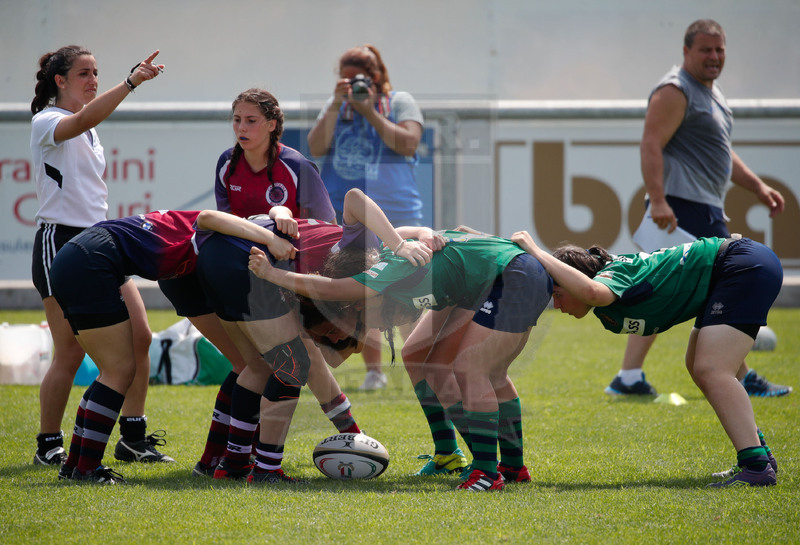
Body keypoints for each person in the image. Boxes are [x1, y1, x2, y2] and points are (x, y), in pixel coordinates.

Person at [249, 224, 553, 492]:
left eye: (373, 320)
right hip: (488, 282)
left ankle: (487, 472)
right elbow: (407, 233)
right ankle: (495, 465)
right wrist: (421, 233)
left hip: (512, 275)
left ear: (363, 301)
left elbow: (331, 288)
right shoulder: (390, 271)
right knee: (422, 357)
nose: (380, 328)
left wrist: (272, 274)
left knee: (473, 369)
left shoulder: (384, 273)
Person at [198, 189, 437, 482]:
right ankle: (259, 469)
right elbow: (353, 197)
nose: (381, 328)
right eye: (385, 321)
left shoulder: (360, 278)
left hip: (221, 254)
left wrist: (423, 232)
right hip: (241, 257)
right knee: (292, 364)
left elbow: (328, 363)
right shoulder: (368, 260)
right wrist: (402, 243)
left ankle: (224, 463)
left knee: (259, 367)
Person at [512, 230, 782, 487]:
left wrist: (536, 250)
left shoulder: (612, 274)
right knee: (699, 367)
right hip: (729, 271)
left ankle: (756, 466)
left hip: (739, 265)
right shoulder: (610, 302)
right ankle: (759, 454)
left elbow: (593, 292)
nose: (557, 306)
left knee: (712, 369)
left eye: (558, 295)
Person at [182, 88, 358, 477]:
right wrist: (272, 217)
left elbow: (327, 230)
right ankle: (263, 464)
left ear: (272, 124)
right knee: (290, 362)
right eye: (236, 120)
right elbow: (222, 225)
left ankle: (218, 461)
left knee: (254, 364)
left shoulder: (296, 166)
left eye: (251, 120)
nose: (241, 128)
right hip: (238, 274)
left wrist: (286, 221)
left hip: (283, 277)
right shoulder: (228, 164)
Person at [49, 208, 297, 483]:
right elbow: (207, 218)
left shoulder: (198, 252)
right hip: (91, 259)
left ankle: (75, 465)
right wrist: (271, 239)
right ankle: (86, 469)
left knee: (113, 371)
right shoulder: (225, 230)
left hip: (79, 256)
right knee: (118, 370)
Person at [613, 19, 790, 398]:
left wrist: (757, 186)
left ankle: (627, 377)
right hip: (681, 207)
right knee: (714, 287)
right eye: (705, 50)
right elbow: (650, 144)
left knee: (671, 291)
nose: (714, 57)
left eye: (719, 49)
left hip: (704, 207)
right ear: (686, 52)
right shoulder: (676, 90)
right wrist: (658, 199)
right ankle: (743, 377)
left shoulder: (712, 92)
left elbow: (722, 153)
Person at [29, 45, 172, 468]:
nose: (92, 79)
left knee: (142, 337)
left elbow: (88, 121)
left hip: (100, 242)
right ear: (60, 80)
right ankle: (48, 444)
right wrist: (130, 83)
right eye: (84, 73)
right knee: (70, 352)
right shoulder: (47, 120)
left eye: (96, 72)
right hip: (61, 244)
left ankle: (133, 438)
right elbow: (84, 118)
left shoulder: (88, 128)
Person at [307, 44, 426, 391]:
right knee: (362, 288)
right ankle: (375, 370)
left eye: (356, 80)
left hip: (397, 206)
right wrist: (335, 103)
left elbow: (408, 143)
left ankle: (419, 363)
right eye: (344, 81)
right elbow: (315, 147)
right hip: (347, 211)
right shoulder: (337, 106)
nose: (351, 86)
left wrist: (370, 110)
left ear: (375, 78)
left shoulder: (398, 101)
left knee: (411, 285)